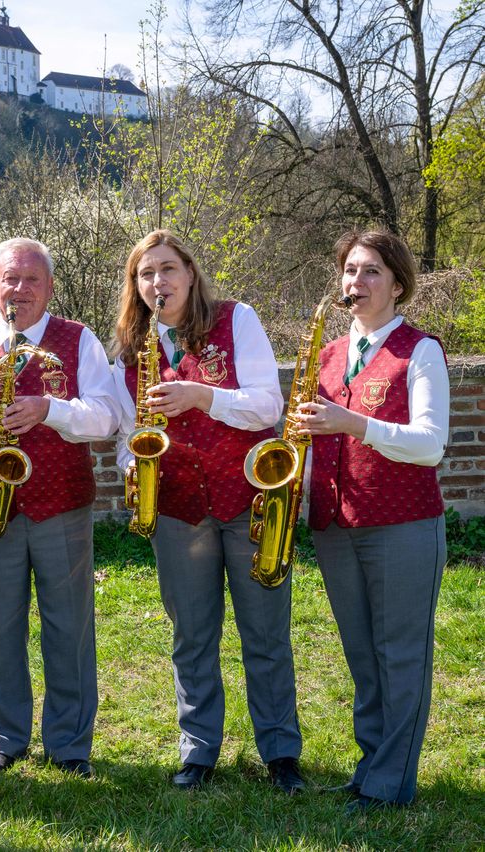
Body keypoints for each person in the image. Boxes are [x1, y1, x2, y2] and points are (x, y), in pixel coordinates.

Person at [112, 230, 304, 793]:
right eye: (145, 275)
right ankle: (198, 749)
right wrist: (130, 462)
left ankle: (281, 751)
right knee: (191, 634)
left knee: (265, 631)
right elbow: (128, 433)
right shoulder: (129, 347)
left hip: (250, 499)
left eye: (168, 270)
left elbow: (269, 404)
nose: (157, 283)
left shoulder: (235, 318)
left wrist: (203, 396)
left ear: (191, 273)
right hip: (176, 506)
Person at [0, 238, 119, 779]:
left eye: (32, 280)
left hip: (62, 504)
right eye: (10, 280)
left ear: (50, 287)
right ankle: (2, 739)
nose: (21, 290)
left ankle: (70, 743)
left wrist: (48, 409)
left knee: (69, 626)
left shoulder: (78, 340)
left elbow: (105, 417)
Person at [296, 230, 449, 813]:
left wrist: (352, 424)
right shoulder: (329, 355)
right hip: (337, 526)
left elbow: (431, 444)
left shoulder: (420, 350)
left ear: (397, 283)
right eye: (350, 272)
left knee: (400, 653)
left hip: (403, 523)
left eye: (370, 273)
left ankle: (391, 783)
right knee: (362, 653)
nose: (355, 283)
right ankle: (370, 767)